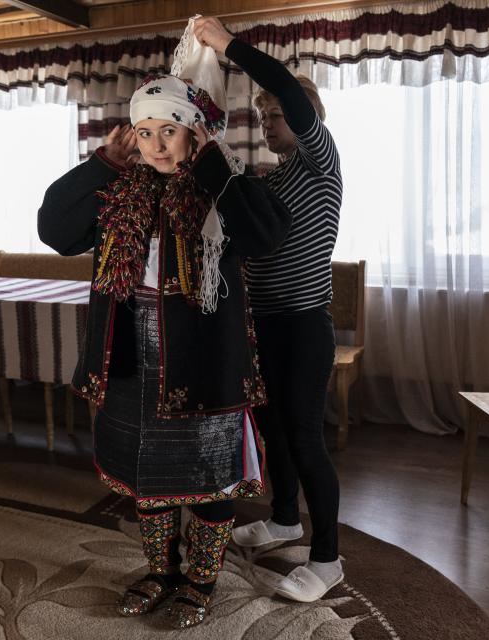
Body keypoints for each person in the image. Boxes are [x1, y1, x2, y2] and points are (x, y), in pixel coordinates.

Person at [37, 66, 291, 627]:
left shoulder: (221, 184)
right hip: (127, 356)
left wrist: (213, 168)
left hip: (202, 359)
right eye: (144, 131)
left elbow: (268, 234)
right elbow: (54, 230)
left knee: (206, 476)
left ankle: (200, 583)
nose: (155, 144)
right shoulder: (117, 192)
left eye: (168, 131)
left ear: (193, 133)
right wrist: (101, 161)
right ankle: (161, 572)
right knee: (146, 474)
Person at [193, 16, 345, 603]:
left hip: (306, 325)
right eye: (262, 118)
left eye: (274, 116)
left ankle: (328, 558)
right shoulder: (276, 178)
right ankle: (285, 518)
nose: (265, 122)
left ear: (306, 120)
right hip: (268, 323)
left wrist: (224, 44)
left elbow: (281, 82)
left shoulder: (319, 161)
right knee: (274, 426)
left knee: (305, 435)